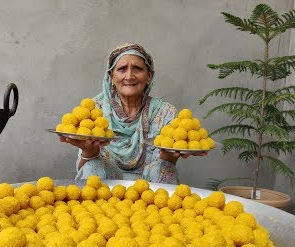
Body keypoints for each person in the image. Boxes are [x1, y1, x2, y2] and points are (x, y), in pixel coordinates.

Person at [59, 42, 204, 184]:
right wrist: (89, 151)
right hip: (106, 185)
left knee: (164, 169)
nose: (129, 76)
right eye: (122, 69)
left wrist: (169, 156)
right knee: (92, 167)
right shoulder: (94, 110)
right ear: (111, 76)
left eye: (137, 69)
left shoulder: (165, 112)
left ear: (149, 76)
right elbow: (84, 166)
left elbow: (164, 164)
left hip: (150, 189)